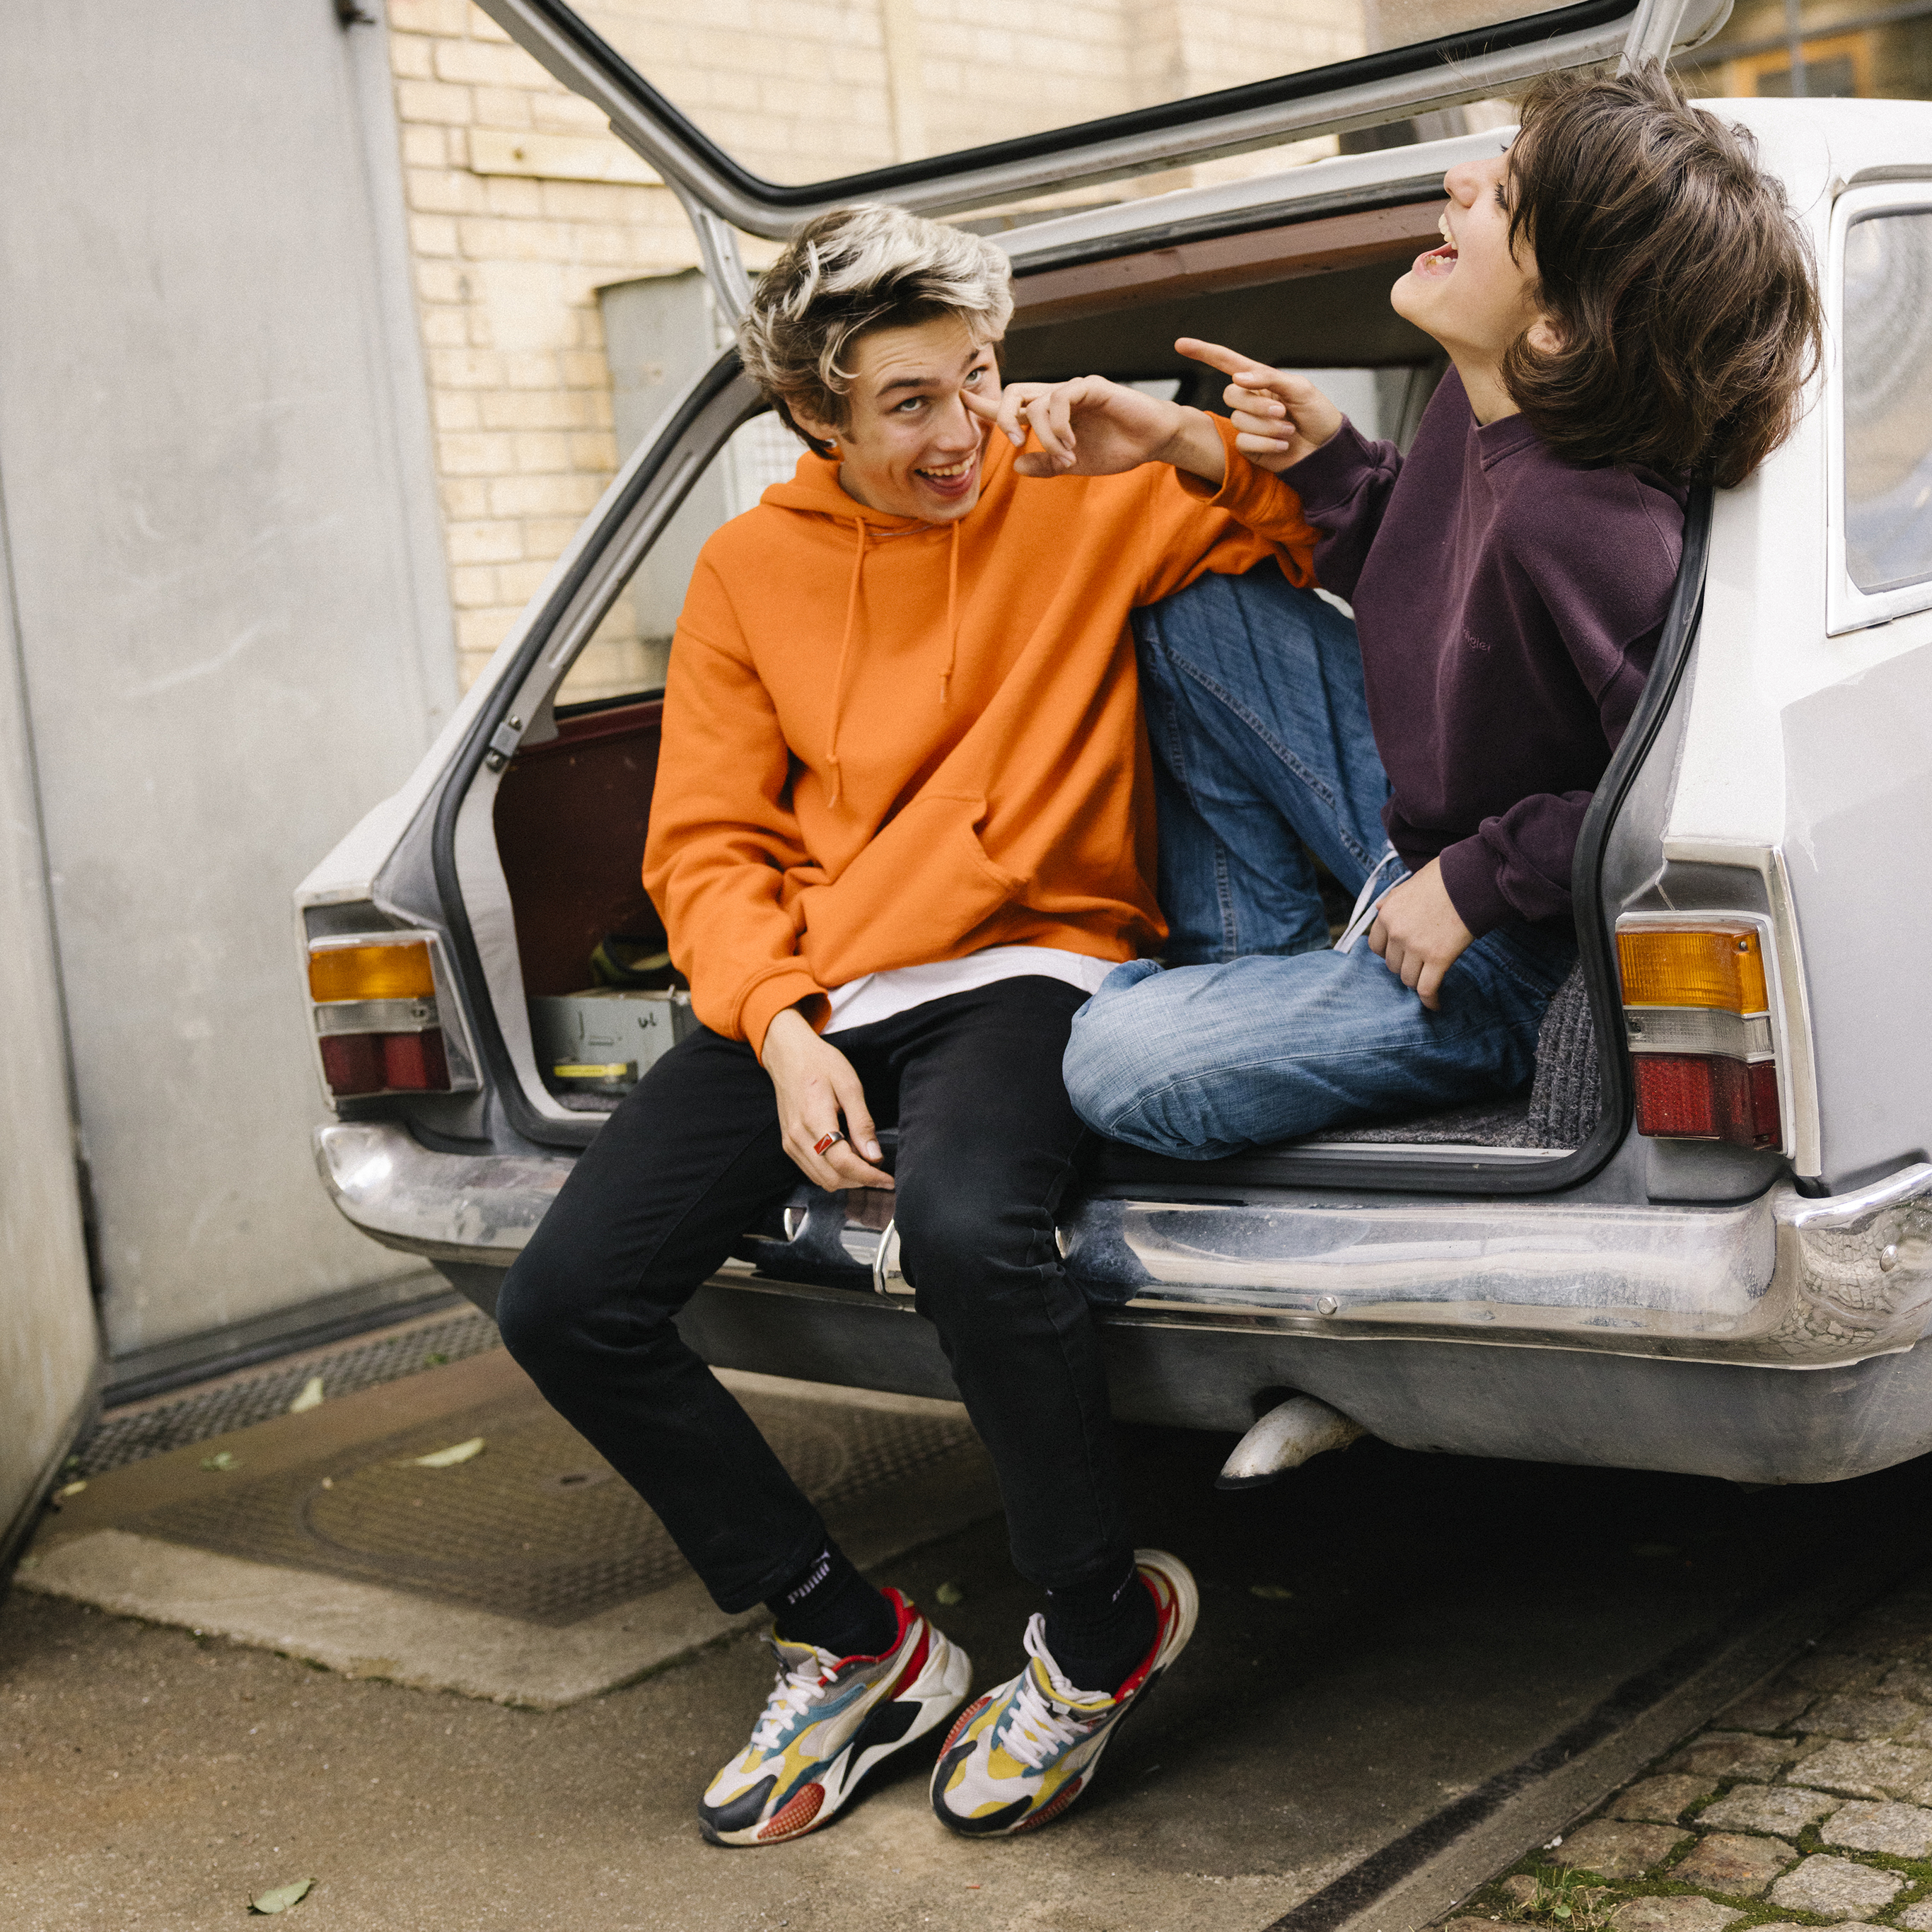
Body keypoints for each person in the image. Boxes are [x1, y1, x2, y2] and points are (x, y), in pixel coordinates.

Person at [494, 203, 1325, 1844]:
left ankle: (1096, 1629)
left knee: (962, 1226)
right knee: (565, 1298)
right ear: (818, 414)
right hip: (821, 985)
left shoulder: (1082, 498)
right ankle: (849, 1635)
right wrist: (779, 1026)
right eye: (908, 403)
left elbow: (1314, 532)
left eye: (975, 378)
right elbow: (708, 844)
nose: (962, 432)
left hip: (1035, 957)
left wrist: (1167, 438)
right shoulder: (748, 569)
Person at [1061, 64, 1822, 1158]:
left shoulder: (1592, 521)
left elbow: (1680, 792)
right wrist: (1316, 458)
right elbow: (1423, 579)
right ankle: (1279, 973)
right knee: (1201, 616)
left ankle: (1293, 1000)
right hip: (1425, 829)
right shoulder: (1489, 415)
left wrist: (1473, 885)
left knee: (1114, 1064)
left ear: (1556, 329)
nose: (1460, 177)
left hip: (1516, 946)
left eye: (1501, 195)